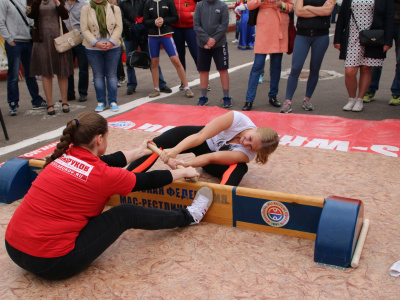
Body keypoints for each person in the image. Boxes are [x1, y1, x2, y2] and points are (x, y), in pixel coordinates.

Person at [5, 112, 213, 280]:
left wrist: (140, 151)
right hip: (52, 262)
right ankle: (189, 216)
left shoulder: (63, 156)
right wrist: (183, 172)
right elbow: (146, 181)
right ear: (99, 138)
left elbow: (106, 160)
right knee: (125, 213)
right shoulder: (102, 175)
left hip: (14, 248)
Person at [127, 111, 280, 186]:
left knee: (240, 168)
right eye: (250, 139)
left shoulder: (247, 154)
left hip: (212, 160)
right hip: (201, 138)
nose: (246, 144)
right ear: (256, 128)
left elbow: (211, 158)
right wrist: (174, 151)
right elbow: (200, 137)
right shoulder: (237, 119)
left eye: (251, 147)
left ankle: (220, 196)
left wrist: (185, 165)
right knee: (158, 143)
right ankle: (126, 179)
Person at [334, 0, 394, 112]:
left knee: (366, 68)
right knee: (349, 71)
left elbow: (389, 17)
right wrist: (337, 39)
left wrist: (388, 41)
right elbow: (342, 16)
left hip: (372, 37)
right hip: (352, 36)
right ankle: (351, 99)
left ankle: (360, 100)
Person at [280, 0, 335, 113]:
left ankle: (307, 99)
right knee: (296, 68)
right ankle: (288, 101)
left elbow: (328, 11)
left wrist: (308, 7)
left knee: (315, 68)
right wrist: (319, 10)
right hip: (302, 35)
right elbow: (299, 11)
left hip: (321, 36)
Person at [241, 0, 294, 112]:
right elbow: (250, 5)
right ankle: (249, 100)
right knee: (257, 66)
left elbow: (291, 6)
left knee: (276, 66)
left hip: (279, 27)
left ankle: (273, 96)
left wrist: (282, 5)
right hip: (264, 28)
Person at [0, 0, 47, 116]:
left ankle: (36, 100)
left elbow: (31, 19)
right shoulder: (4, 1)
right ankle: (13, 103)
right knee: (14, 74)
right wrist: (9, 40)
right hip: (14, 42)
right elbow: (1, 22)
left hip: (28, 40)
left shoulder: (26, 0)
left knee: (31, 73)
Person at [27, 0, 74, 115]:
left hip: (59, 39)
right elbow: (31, 15)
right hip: (42, 41)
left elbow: (65, 15)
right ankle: (49, 104)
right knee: (46, 72)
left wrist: (58, 3)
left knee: (62, 71)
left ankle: (64, 101)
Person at [119, 0, 172, 96]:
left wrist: (140, 25)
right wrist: (132, 27)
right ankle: (131, 85)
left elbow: (146, 14)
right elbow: (121, 17)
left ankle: (161, 84)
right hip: (129, 34)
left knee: (153, 59)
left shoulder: (143, 1)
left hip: (143, 33)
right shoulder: (121, 2)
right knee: (129, 60)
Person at [143, 0, 194, 98]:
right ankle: (156, 89)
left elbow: (175, 17)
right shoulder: (148, 2)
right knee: (154, 62)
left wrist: (164, 21)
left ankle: (186, 87)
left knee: (176, 60)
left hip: (166, 34)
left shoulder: (168, 1)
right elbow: (145, 20)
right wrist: (154, 22)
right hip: (153, 36)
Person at [81, 0, 123, 112]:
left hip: (112, 46)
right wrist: (96, 42)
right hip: (93, 47)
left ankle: (113, 101)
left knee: (112, 75)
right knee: (98, 76)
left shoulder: (114, 8)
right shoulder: (86, 8)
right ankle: (101, 101)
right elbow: (84, 29)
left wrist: (111, 41)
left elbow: (119, 27)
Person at [193, 0, 231, 107]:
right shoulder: (199, 5)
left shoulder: (222, 6)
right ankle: (204, 96)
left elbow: (224, 26)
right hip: (202, 44)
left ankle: (226, 96)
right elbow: (196, 25)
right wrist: (207, 39)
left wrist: (213, 40)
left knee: (223, 69)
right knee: (203, 70)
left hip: (219, 44)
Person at [363, 0, 400, 106]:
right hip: (382, 20)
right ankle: (370, 89)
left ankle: (397, 92)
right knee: (376, 57)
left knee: (399, 59)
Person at [64, 0, 89, 102]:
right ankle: (69, 94)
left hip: (80, 39)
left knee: (83, 67)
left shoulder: (84, 4)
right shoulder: (61, 3)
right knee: (67, 69)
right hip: (66, 40)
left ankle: (83, 92)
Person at [172, 0, 199, 91]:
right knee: (179, 56)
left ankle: (204, 80)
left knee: (196, 54)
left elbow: (204, 5)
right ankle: (183, 82)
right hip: (176, 28)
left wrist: (192, 14)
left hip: (190, 27)